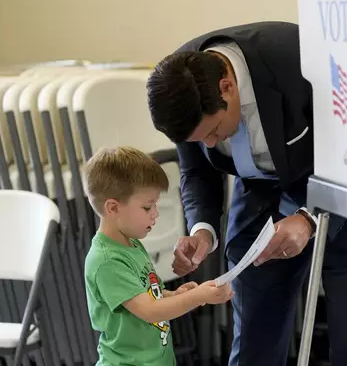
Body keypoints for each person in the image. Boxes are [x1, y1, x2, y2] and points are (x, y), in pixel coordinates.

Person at [146, 21, 347, 366]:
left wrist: (308, 217)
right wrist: (202, 229)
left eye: (215, 130)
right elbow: (195, 171)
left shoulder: (306, 61)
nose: (212, 144)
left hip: (345, 192)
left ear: (227, 86)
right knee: (252, 344)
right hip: (259, 197)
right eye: (201, 139)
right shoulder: (177, 86)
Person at [83, 146, 234, 366]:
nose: (155, 214)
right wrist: (198, 297)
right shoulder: (107, 261)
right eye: (147, 207)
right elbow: (150, 311)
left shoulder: (131, 243)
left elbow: (146, 294)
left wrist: (175, 295)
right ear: (113, 208)